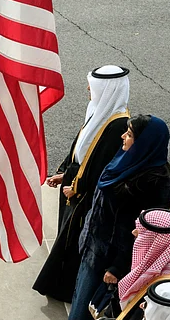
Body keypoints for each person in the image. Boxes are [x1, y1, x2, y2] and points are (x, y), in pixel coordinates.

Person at [64, 114, 170, 320]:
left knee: (98, 302)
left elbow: (142, 229)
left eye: (130, 135)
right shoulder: (126, 159)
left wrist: (117, 265)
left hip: (113, 252)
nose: (123, 137)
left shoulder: (154, 179)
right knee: (83, 293)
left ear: (144, 142)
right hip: (96, 241)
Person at [34, 65, 131, 303]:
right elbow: (80, 146)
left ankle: (65, 289)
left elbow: (103, 168)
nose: (88, 88)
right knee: (65, 235)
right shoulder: (97, 110)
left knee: (74, 241)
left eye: (93, 85)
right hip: (73, 183)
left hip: (85, 193)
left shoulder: (118, 124)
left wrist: (77, 188)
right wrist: (63, 172)